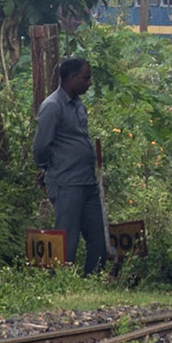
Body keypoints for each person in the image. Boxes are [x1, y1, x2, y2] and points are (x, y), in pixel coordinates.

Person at [33, 56, 110, 275]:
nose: (89, 83)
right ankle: (62, 279)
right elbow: (41, 145)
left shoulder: (78, 105)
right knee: (67, 236)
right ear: (71, 77)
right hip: (67, 182)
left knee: (98, 234)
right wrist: (46, 167)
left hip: (86, 180)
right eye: (86, 78)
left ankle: (93, 278)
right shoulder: (52, 106)